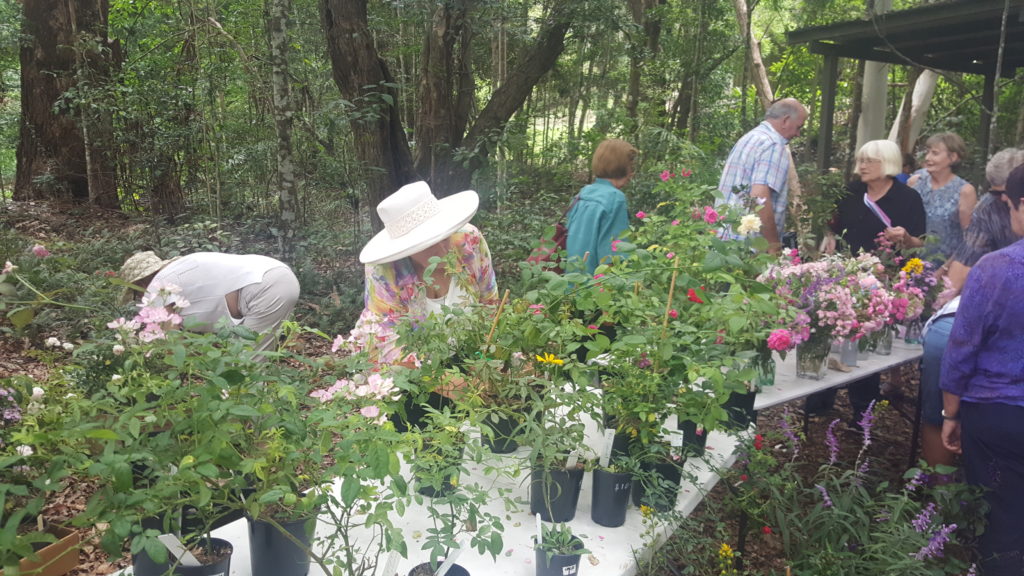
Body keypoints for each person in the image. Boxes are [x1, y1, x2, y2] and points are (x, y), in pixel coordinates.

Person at [940, 163, 1024, 576]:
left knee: (1002, 525)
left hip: (999, 416)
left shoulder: (996, 268)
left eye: (1008, 204)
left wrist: (950, 413)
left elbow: (962, 347)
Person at [918, 148, 1024, 468]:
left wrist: (931, 311)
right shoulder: (992, 208)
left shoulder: (987, 211)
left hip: (988, 310)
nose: (1001, 202)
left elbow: (961, 272)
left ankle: (941, 488)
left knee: (942, 345)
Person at [811, 140, 926, 422]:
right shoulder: (850, 193)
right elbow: (829, 224)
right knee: (830, 337)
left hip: (882, 283)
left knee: (866, 345)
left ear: (886, 163)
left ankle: (863, 410)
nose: (861, 166)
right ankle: (819, 403)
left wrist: (906, 238)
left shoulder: (907, 199)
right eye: (860, 160)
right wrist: (828, 235)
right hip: (844, 279)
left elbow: (919, 244)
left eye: (869, 161)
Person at [349, 180, 498, 365]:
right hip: (411, 373)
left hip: (469, 357)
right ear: (406, 250)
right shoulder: (384, 272)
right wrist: (441, 379)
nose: (444, 251)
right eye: (429, 245)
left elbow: (489, 304)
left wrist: (484, 360)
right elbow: (386, 344)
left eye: (445, 236)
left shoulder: (469, 240)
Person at [119, 251, 300, 351]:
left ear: (141, 283)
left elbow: (171, 340)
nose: (141, 298)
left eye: (136, 293)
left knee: (247, 365)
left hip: (262, 289)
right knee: (250, 357)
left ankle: (255, 419)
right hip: (277, 274)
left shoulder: (157, 286)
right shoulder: (180, 270)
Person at [717, 98, 808, 253]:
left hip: (725, 241)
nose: (797, 134)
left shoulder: (749, 138)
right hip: (748, 248)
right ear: (786, 120)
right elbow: (759, 197)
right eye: (798, 127)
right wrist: (773, 246)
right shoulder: (773, 145)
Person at [565, 139, 637, 276]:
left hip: (571, 280)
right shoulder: (615, 199)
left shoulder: (583, 193)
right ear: (621, 166)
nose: (631, 173)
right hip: (594, 287)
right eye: (630, 166)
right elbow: (612, 254)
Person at [907, 132, 978, 264]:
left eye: (935, 153)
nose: (927, 157)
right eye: (927, 152)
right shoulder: (915, 182)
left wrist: (944, 270)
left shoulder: (965, 191)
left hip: (946, 266)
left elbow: (969, 239)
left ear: (953, 157)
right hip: (909, 264)